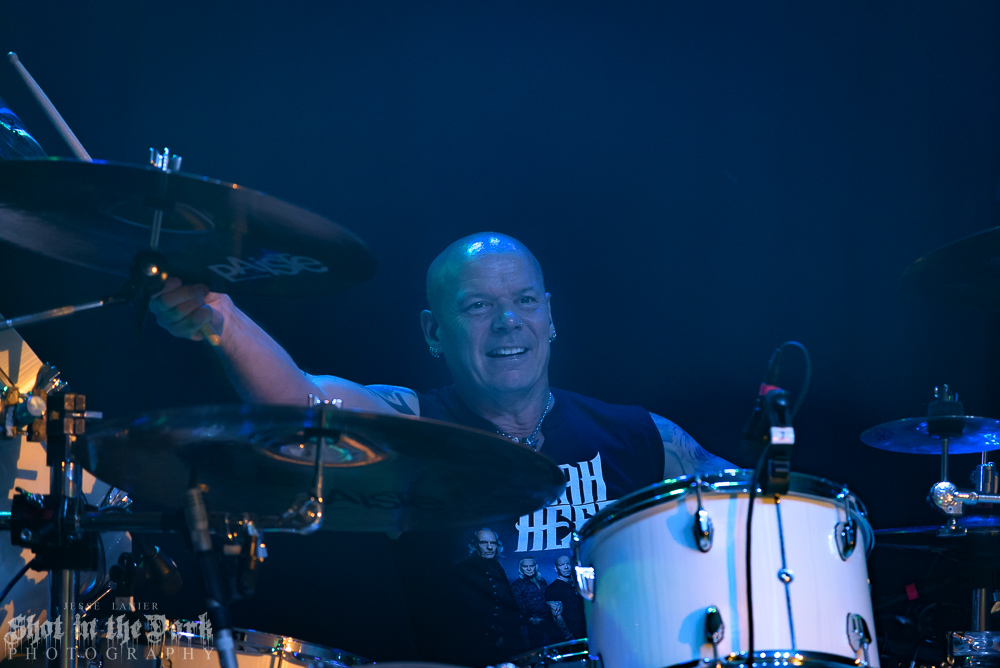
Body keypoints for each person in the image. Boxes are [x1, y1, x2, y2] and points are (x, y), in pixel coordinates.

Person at [150, 231, 731, 665]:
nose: (508, 321)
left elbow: (767, 519)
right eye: (478, 306)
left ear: (550, 317)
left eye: (526, 301)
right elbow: (302, 403)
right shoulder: (414, 424)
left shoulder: (642, 438)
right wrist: (222, 321)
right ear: (433, 333)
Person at [510, 557, 553, 649]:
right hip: (533, 623)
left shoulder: (542, 581)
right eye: (525, 566)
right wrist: (530, 619)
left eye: (531, 566)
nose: (529, 569)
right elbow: (518, 605)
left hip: (549, 620)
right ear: (521, 568)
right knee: (537, 649)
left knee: (554, 645)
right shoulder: (516, 585)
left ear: (535, 567)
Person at [545, 556, 585, 641]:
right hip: (571, 638)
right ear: (556, 568)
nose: (566, 567)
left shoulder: (576, 585)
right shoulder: (553, 588)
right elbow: (556, 616)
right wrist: (569, 636)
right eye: (562, 565)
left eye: (568, 564)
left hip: (583, 634)